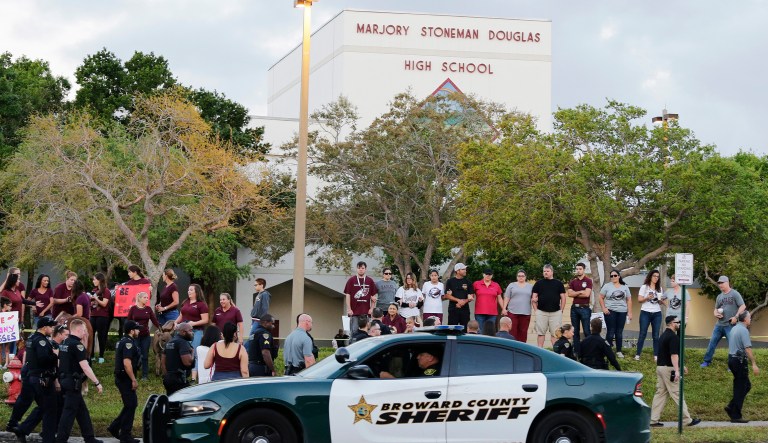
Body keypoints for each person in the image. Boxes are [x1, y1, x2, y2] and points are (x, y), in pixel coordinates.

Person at [7, 316, 58, 443]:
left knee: (32, 402)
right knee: (47, 406)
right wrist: (55, 355)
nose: (52, 329)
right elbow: (43, 359)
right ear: (44, 327)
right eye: (51, 326)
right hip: (39, 377)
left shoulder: (32, 338)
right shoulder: (41, 341)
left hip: (30, 375)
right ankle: (25, 429)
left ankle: (17, 426)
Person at [55, 318, 104, 443]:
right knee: (68, 413)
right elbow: (85, 367)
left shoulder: (65, 342)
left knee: (82, 411)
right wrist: (96, 382)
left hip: (65, 380)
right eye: (84, 329)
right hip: (72, 383)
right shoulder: (77, 345)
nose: (85, 332)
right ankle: (61, 439)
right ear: (78, 329)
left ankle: (89, 437)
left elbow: (59, 361)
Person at [649, 315, 701, 428]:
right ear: (672, 323)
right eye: (678, 322)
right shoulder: (672, 337)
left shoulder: (663, 335)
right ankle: (687, 420)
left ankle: (653, 420)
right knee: (677, 393)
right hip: (669, 369)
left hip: (660, 368)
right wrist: (677, 370)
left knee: (660, 394)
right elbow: (673, 355)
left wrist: (682, 365)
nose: (679, 324)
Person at [701, 275, 746, 368]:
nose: (720, 285)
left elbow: (743, 306)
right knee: (712, 343)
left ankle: (732, 365)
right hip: (719, 325)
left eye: (722, 283)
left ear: (727, 282)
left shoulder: (735, 294)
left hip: (730, 325)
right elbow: (715, 309)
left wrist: (736, 317)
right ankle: (706, 361)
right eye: (719, 283)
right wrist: (715, 313)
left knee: (733, 346)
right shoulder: (719, 296)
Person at [108, 320, 142, 443]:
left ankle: (115, 427)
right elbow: (127, 364)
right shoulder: (128, 343)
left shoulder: (123, 341)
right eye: (137, 329)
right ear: (131, 331)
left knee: (130, 405)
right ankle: (125, 435)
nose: (139, 331)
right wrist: (133, 380)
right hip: (125, 379)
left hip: (121, 378)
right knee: (131, 405)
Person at [725, 311, 760, 423]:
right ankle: (735, 415)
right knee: (741, 387)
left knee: (745, 385)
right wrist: (754, 364)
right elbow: (747, 348)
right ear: (745, 319)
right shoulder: (743, 330)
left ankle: (731, 406)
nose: (750, 319)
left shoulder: (734, 328)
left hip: (732, 359)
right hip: (739, 361)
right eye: (749, 317)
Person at [127, 291, 160, 380]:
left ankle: (145, 375)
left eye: (147, 297)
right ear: (140, 298)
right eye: (145, 297)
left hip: (145, 335)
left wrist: (161, 328)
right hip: (135, 337)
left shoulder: (148, 309)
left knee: (145, 356)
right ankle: (134, 374)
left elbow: (154, 320)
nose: (147, 299)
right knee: (136, 355)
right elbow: (128, 321)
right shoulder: (133, 309)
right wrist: (127, 334)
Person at [599, 270, 632, 359]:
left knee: (619, 332)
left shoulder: (625, 286)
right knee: (610, 331)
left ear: (619, 276)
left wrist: (629, 312)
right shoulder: (607, 286)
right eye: (611, 276)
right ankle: (607, 351)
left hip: (622, 311)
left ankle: (619, 351)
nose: (613, 277)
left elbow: (629, 299)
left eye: (615, 275)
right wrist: (604, 308)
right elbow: (601, 297)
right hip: (610, 311)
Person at [532, 264, 566, 348]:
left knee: (555, 334)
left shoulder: (558, 283)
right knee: (540, 333)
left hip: (555, 313)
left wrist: (561, 310)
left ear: (552, 272)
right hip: (541, 312)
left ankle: (555, 353)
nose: (545, 273)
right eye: (544, 271)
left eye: (547, 271)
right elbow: (533, 298)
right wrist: (536, 311)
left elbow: (563, 298)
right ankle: (540, 351)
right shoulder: (538, 283)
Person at [635, 270, 665, 361]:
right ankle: (638, 354)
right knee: (642, 334)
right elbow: (639, 300)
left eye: (657, 276)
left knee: (656, 335)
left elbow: (660, 302)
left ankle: (656, 355)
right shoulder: (644, 287)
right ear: (650, 276)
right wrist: (647, 297)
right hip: (645, 312)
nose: (656, 278)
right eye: (654, 276)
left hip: (657, 313)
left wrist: (661, 301)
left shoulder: (659, 288)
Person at [344, 261, 378, 335]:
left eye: (362, 268)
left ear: (365, 269)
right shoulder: (351, 280)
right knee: (354, 332)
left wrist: (372, 308)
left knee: (366, 332)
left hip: (366, 312)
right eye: (359, 268)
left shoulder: (370, 281)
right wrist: (349, 309)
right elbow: (348, 295)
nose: (361, 270)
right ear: (357, 269)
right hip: (354, 312)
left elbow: (374, 296)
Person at [567, 263, 593, 357]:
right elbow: (569, 294)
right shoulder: (573, 282)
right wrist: (580, 291)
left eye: (580, 269)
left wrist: (575, 293)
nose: (578, 270)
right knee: (575, 331)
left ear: (584, 270)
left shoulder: (588, 280)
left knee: (587, 331)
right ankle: (577, 352)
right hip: (574, 308)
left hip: (585, 308)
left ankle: (590, 351)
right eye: (577, 269)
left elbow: (586, 294)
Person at [162, 323, 195, 395]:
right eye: (190, 331)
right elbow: (187, 362)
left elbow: (163, 359)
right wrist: (193, 352)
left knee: (171, 402)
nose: (192, 333)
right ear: (183, 332)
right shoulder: (183, 343)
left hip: (169, 378)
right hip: (179, 379)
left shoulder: (170, 342)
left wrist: (166, 375)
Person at [120, 265, 152, 338]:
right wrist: (118, 290)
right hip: (131, 311)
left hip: (142, 311)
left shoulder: (145, 282)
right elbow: (125, 297)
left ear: (135, 272)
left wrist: (150, 291)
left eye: (129, 272)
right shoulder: (129, 283)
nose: (128, 274)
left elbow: (148, 297)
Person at [175, 283, 209, 349]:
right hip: (183, 331)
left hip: (196, 331)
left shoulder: (201, 304)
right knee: (181, 350)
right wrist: (175, 322)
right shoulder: (185, 302)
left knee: (193, 351)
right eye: (188, 290)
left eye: (191, 290)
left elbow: (205, 320)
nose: (189, 291)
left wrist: (194, 323)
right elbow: (181, 316)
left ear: (196, 292)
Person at [502, 269, 533, 342]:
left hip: (526, 312)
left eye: (522, 276)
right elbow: (507, 297)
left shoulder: (530, 286)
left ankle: (521, 349)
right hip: (513, 312)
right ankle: (512, 348)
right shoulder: (511, 285)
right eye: (519, 276)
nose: (521, 277)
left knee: (523, 333)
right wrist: (504, 308)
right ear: (516, 277)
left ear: (525, 277)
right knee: (512, 331)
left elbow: (534, 298)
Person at [89, 273, 111, 364]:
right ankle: (92, 355)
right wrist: (90, 300)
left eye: (94, 279)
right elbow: (92, 304)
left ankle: (101, 356)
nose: (93, 281)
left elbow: (104, 304)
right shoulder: (94, 290)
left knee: (101, 336)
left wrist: (96, 299)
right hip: (93, 315)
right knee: (91, 335)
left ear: (99, 280)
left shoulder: (106, 291)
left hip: (102, 316)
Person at [444, 263, 474, 327]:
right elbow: (447, 295)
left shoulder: (468, 282)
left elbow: (471, 295)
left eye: (465, 269)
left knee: (465, 330)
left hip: (465, 310)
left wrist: (463, 302)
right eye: (463, 269)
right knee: (452, 329)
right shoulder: (450, 281)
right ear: (457, 271)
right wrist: (458, 300)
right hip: (453, 309)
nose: (465, 271)